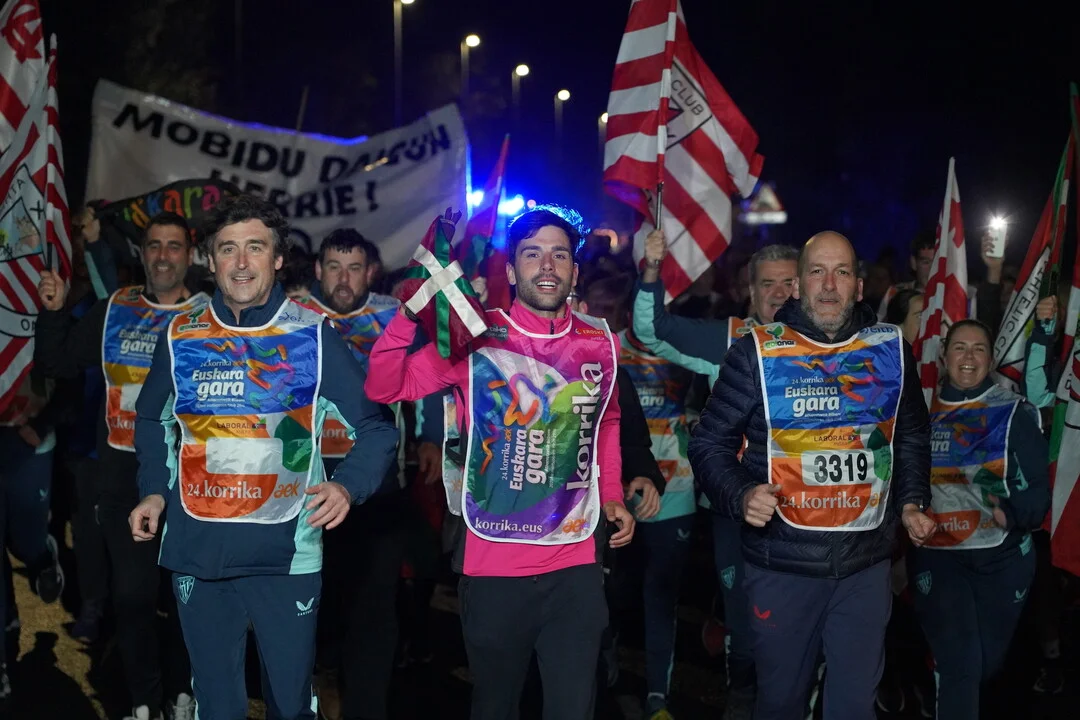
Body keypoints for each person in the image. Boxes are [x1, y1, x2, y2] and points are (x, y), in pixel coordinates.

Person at [128, 195, 398, 720]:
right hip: (197, 550)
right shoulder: (181, 334)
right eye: (228, 248)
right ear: (210, 260)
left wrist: (347, 486)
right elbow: (150, 419)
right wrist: (154, 491)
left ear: (277, 259)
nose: (241, 262)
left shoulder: (312, 334)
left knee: (290, 706)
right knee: (217, 706)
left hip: (285, 556)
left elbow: (375, 427)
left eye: (255, 247)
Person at [365, 205, 636, 720]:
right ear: (511, 271)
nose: (548, 266)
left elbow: (608, 421)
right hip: (494, 565)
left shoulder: (598, 341)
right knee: (495, 707)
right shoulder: (477, 337)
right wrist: (408, 314)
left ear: (575, 271)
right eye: (532, 255)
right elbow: (385, 386)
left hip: (575, 563)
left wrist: (613, 496)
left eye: (559, 255)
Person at [689, 231, 935, 720]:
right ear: (798, 285)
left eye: (841, 272)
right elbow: (708, 444)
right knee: (781, 703)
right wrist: (741, 494)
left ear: (858, 286)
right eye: (817, 272)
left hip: (865, 566)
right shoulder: (757, 352)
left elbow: (909, 435)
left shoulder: (891, 350)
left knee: (854, 707)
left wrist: (911, 501)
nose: (828, 284)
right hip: (783, 566)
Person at [35, 212, 204, 720]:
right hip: (121, 481)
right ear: (142, 253)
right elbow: (57, 362)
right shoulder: (116, 308)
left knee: (185, 598)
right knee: (132, 600)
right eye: (154, 245)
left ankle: (182, 695)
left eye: (173, 246)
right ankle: (144, 703)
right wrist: (55, 312)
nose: (163, 256)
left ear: (189, 255)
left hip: (192, 483)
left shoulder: (210, 314)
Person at [633, 232, 799, 718]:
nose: (780, 293)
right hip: (736, 507)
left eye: (790, 282)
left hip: (809, 509)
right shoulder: (728, 339)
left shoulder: (831, 344)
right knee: (744, 617)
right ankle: (742, 695)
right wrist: (651, 270)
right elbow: (651, 330)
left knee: (799, 620)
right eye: (768, 284)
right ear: (750, 291)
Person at [910, 319, 1049, 719]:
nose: (968, 357)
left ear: (991, 358)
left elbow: (1038, 489)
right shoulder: (920, 412)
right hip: (939, 556)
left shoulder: (1013, 411)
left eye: (978, 349)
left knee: (985, 666)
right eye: (959, 347)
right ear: (944, 355)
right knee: (961, 665)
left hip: (1001, 557)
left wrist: (1015, 512)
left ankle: (942, 682)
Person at [293, 229, 405, 720]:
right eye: (334, 267)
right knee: (315, 599)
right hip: (309, 479)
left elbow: (432, 373)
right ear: (318, 270)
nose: (344, 279)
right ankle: (314, 687)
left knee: (375, 606)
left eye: (354, 268)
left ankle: (365, 707)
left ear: (370, 272)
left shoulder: (393, 315)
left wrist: (429, 437)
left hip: (377, 481)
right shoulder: (294, 316)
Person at [877, 232, 935, 319]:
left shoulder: (951, 296)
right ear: (914, 262)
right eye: (926, 262)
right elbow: (880, 323)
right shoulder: (895, 293)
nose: (932, 269)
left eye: (937, 263)